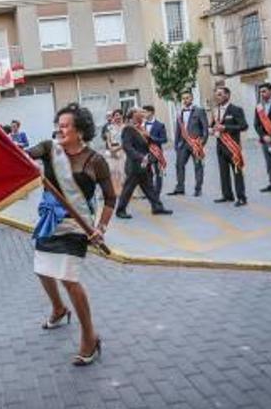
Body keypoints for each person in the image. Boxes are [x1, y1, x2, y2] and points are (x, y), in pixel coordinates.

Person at [26, 103, 114, 366]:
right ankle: (58, 308)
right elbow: (22, 155)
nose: (59, 130)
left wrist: (101, 227)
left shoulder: (95, 161)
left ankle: (89, 335)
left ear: (80, 130)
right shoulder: (49, 148)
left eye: (65, 125)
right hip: (51, 221)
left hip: (78, 226)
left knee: (68, 278)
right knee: (42, 269)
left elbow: (110, 198)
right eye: (58, 125)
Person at [115, 107, 172, 218]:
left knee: (149, 187)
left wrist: (149, 138)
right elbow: (127, 147)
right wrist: (141, 157)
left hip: (145, 165)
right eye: (140, 112)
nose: (143, 114)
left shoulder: (141, 128)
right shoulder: (128, 129)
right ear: (133, 115)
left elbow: (148, 143)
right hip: (134, 165)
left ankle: (157, 207)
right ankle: (120, 210)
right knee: (128, 189)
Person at [211, 87, 248, 206]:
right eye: (216, 95)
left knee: (237, 172)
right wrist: (211, 130)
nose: (217, 97)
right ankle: (227, 195)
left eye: (220, 94)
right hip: (220, 146)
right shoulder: (216, 110)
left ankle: (241, 198)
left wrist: (226, 128)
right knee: (223, 172)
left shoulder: (236, 109)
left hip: (232, 146)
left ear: (227, 95)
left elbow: (243, 126)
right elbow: (212, 125)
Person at [168, 91, 209, 197]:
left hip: (196, 143)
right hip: (183, 144)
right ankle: (180, 187)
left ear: (192, 98)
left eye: (187, 98)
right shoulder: (180, 112)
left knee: (198, 166)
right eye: (183, 98)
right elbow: (178, 129)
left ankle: (198, 189)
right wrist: (176, 144)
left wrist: (202, 143)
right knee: (179, 165)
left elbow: (205, 128)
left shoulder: (199, 111)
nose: (185, 100)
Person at [104, 109, 125, 194]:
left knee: (122, 171)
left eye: (118, 115)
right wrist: (111, 149)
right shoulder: (110, 128)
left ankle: (125, 190)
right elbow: (108, 140)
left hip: (122, 150)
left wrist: (118, 148)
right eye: (115, 115)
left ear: (121, 116)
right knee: (112, 170)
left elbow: (126, 140)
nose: (117, 117)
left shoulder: (125, 127)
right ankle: (115, 191)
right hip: (112, 151)